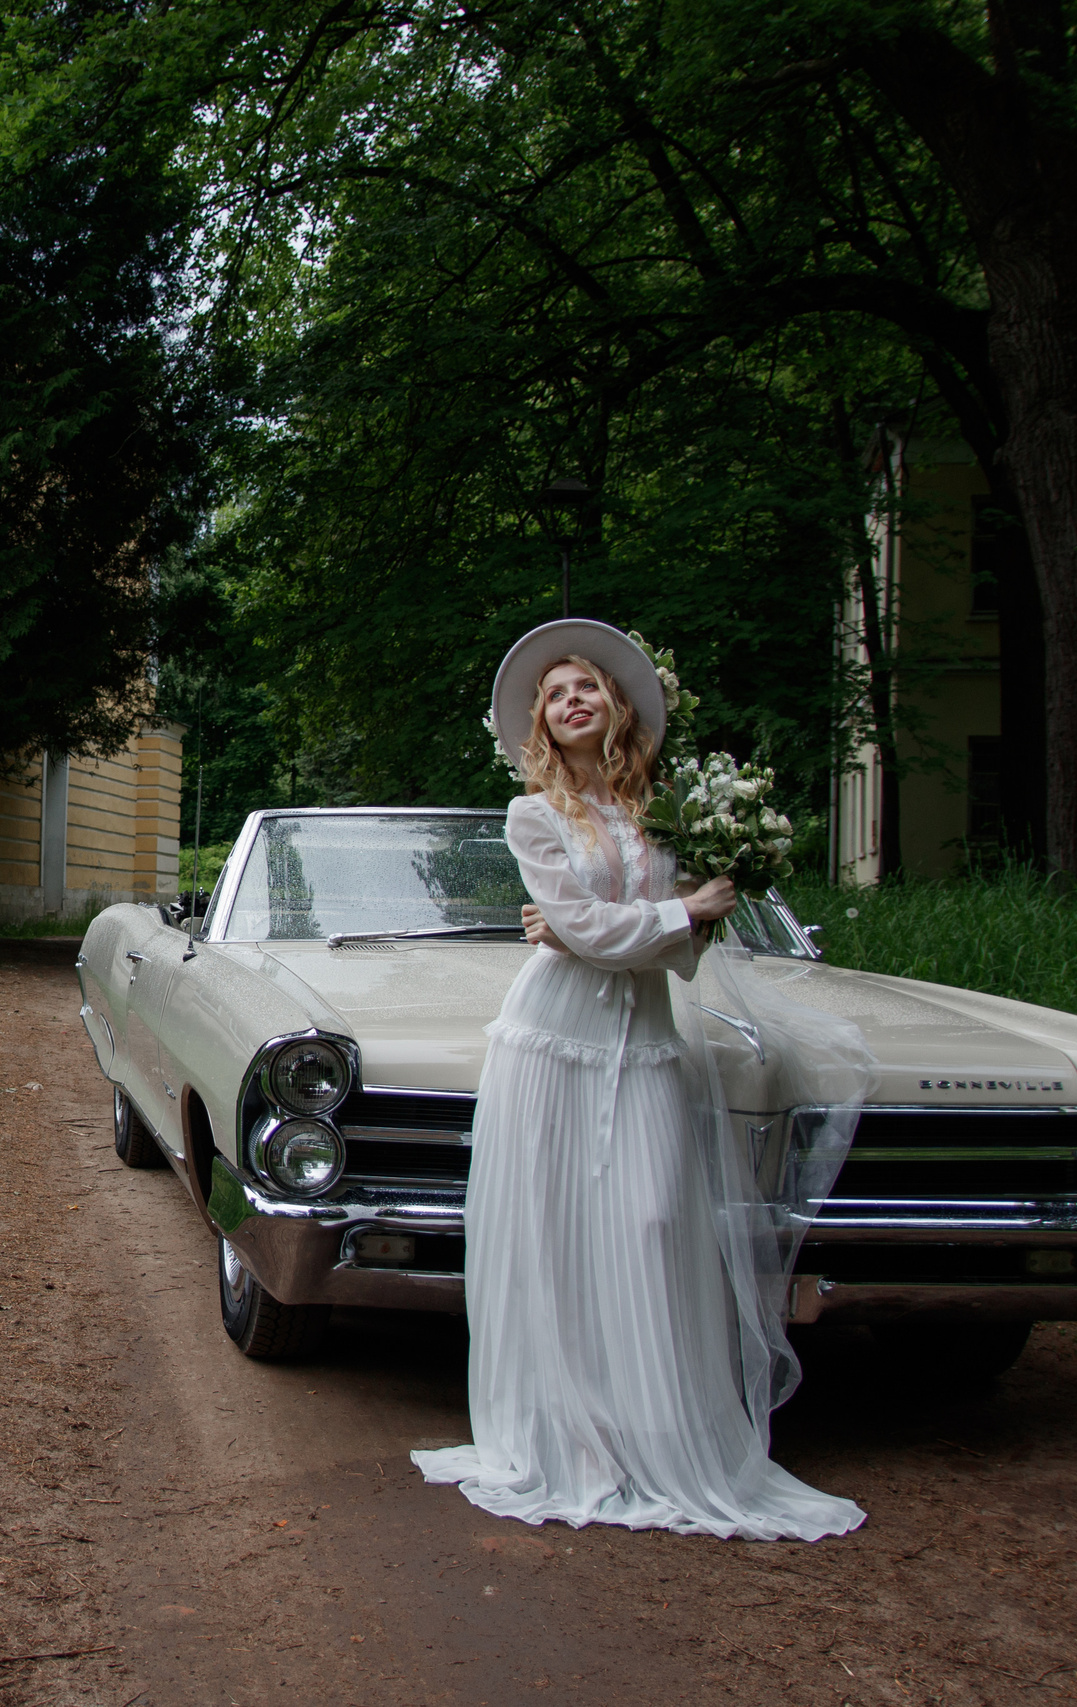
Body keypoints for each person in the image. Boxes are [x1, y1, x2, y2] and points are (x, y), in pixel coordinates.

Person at [411, 619, 865, 1541]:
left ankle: (655, 1425)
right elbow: (588, 931)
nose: (572, 699)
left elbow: (678, 945)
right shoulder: (532, 816)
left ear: (615, 706)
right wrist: (663, 913)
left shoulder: (667, 812)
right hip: (552, 1040)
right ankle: (572, 1436)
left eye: (587, 687)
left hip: (649, 1041)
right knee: (558, 1233)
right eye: (555, 692)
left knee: (653, 1220)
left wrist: (671, 918)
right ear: (541, 720)